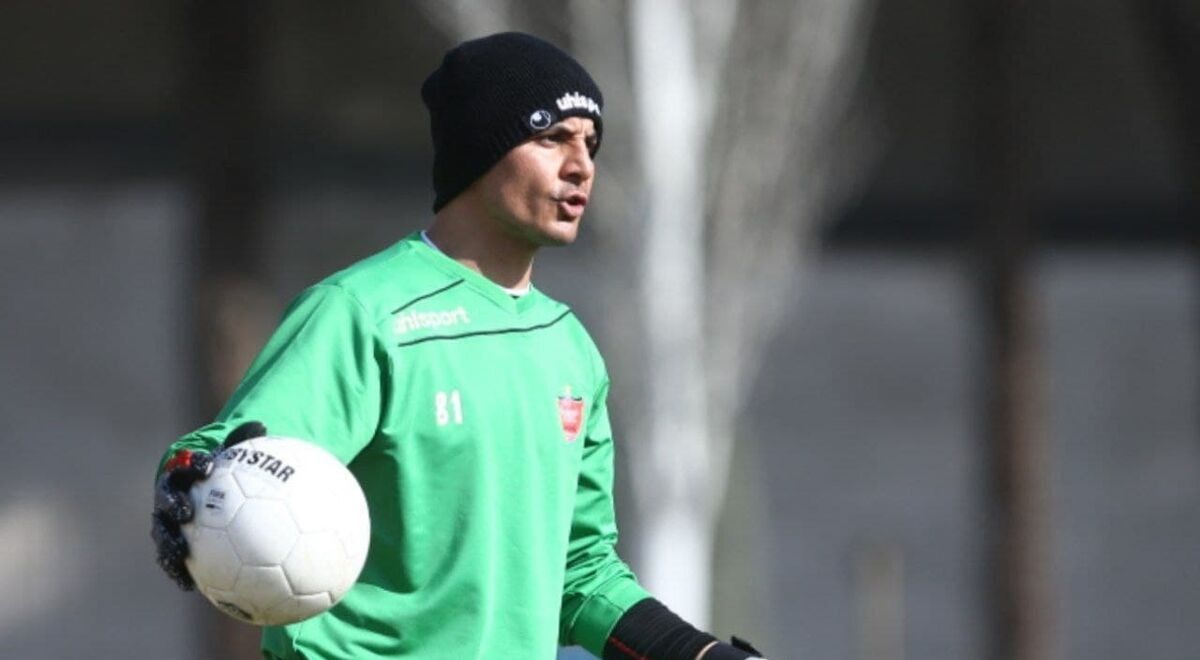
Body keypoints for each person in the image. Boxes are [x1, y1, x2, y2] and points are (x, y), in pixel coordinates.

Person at [151, 32, 767, 660]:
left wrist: (699, 653)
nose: (581, 165)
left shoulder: (569, 349)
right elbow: (232, 464)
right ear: (481, 149)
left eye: (590, 143)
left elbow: (582, 574)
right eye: (553, 137)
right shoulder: (364, 313)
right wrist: (186, 483)